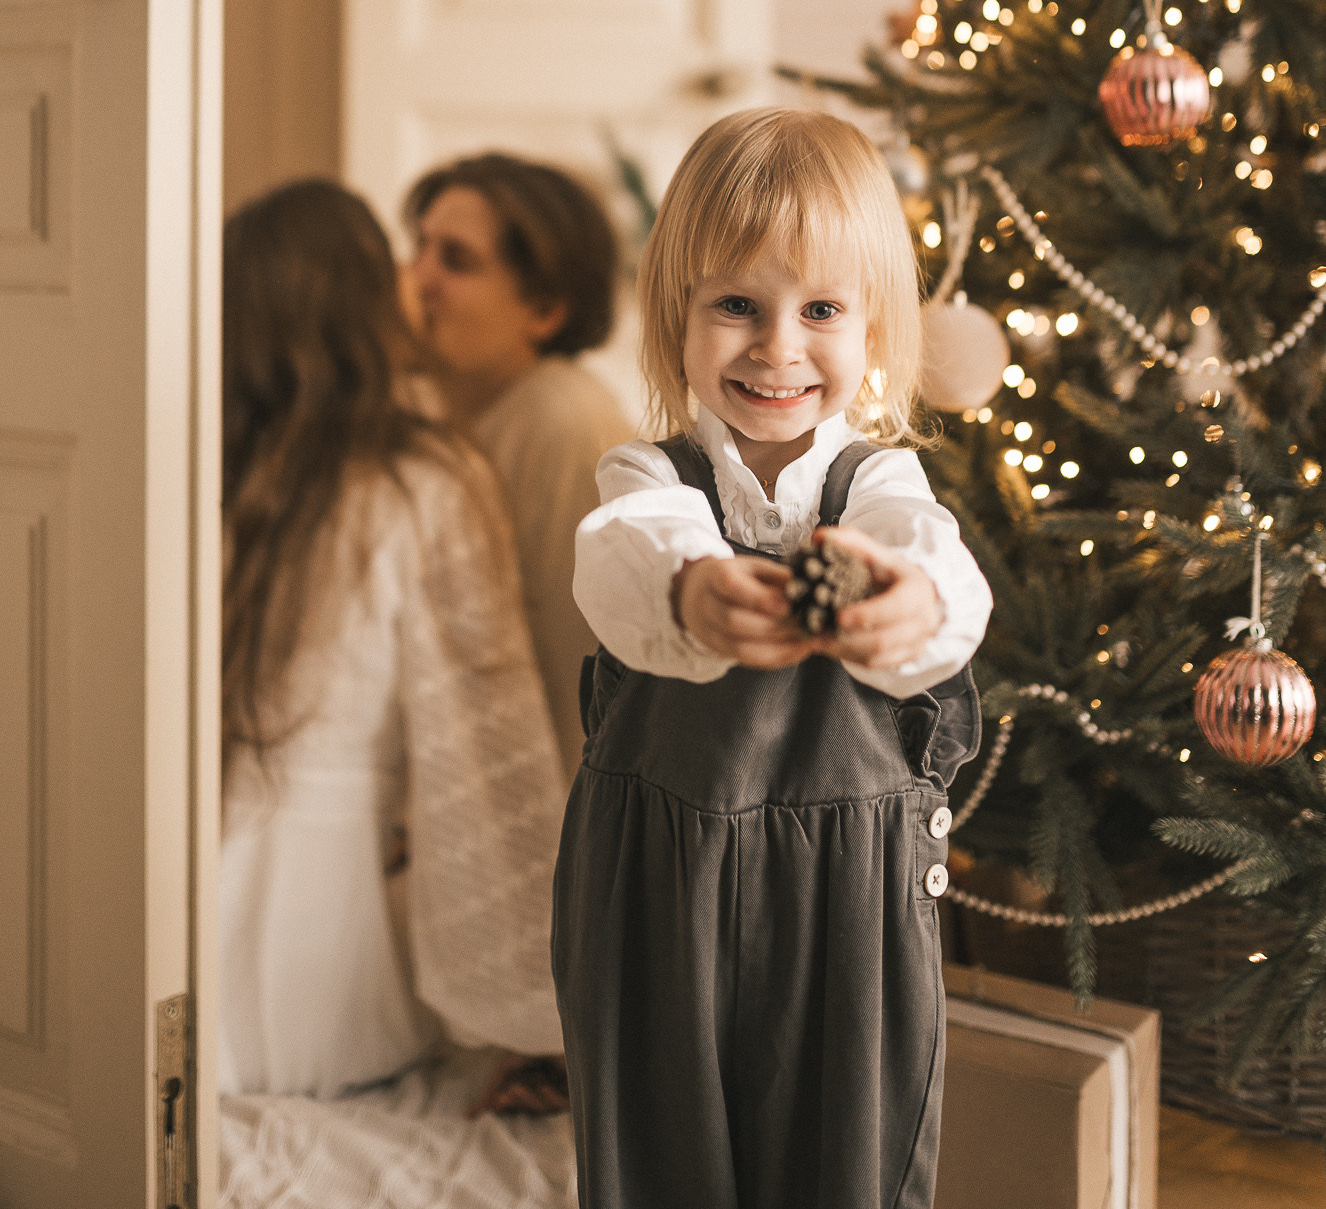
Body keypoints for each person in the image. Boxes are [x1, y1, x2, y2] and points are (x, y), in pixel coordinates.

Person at [552, 109, 994, 1209]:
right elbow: (619, 561)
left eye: (823, 309)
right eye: (737, 303)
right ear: (680, 316)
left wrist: (911, 605)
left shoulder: (881, 489)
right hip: (659, 894)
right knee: (656, 1157)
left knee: (842, 1161)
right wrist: (695, 590)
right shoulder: (647, 479)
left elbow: (941, 569)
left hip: (846, 908)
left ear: (876, 329)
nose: (777, 345)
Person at [218, 179, 567, 1105]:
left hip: (170, 914)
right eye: (404, 261)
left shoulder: (196, 468)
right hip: (321, 968)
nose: (420, 281)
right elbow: (488, 749)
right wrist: (541, 1012)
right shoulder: (426, 482)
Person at [403, 154, 634, 778]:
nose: (417, 279)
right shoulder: (426, 407)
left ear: (546, 309)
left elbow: (582, 672)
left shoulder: (565, 424)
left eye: (456, 260)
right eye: (419, 247)